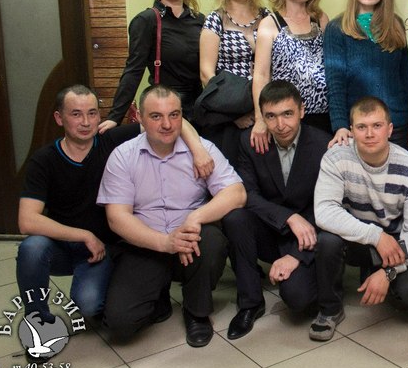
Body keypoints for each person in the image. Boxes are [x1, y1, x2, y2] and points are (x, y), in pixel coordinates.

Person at [16, 84, 212, 323]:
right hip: (62, 245)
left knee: (89, 305)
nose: (86, 122)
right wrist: (83, 235)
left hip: (102, 250)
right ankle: (37, 320)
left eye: (92, 113)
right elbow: (27, 221)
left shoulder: (111, 141)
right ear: (59, 118)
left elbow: (171, 122)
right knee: (32, 248)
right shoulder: (44, 160)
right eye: (76, 114)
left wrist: (198, 150)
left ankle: (117, 291)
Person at [98, 85, 246, 348]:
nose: (167, 124)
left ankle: (197, 312)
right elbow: (117, 218)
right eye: (156, 116)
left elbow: (236, 193)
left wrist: (195, 218)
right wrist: (164, 242)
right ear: (140, 118)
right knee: (120, 324)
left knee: (211, 240)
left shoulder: (202, 150)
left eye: (174, 115)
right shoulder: (123, 156)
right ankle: (159, 298)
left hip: (190, 240)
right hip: (145, 243)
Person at [311, 96, 408, 341]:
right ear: (351, 131)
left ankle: (378, 273)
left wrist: (388, 273)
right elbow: (324, 211)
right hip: (356, 237)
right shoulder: (336, 158)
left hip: (394, 242)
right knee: (327, 240)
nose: (369, 134)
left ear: (390, 129)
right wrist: (376, 236)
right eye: (361, 127)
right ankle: (330, 309)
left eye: (377, 126)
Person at [222, 80, 330, 340]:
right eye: (271, 116)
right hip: (271, 228)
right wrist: (287, 217)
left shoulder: (323, 144)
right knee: (235, 217)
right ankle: (250, 303)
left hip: (308, 234)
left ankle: (317, 277)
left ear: (302, 111)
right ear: (262, 116)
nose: (280, 125)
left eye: (287, 114)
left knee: (297, 298)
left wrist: (296, 255)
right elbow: (247, 194)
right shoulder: (250, 142)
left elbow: (330, 204)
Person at [100, 0, 205, 131]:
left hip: (200, 111)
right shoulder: (146, 21)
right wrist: (115, 117)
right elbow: (134, 70)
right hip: (165, 110)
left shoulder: (200, 20)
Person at [324, 0, 408, 149]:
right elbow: (335, 84)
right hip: (359, 127)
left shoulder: (396, 25)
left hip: (397, 125)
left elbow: (405, 78)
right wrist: (340, 125)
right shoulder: (336, 28)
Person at [250, 0, 329, 152]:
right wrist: (261, 119)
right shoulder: (270, 23)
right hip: (285, 120)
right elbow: (261, 75)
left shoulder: (321, 19)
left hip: (324, 117)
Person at [197, 0, 269, 160]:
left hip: (265, 110)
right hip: (230, 119)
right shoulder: (215, 19)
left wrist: (264, 113)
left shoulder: (267, 16)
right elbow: (206, 74)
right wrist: (233, 114)